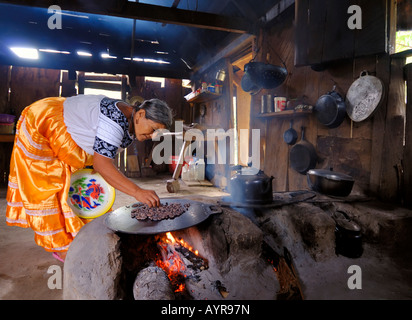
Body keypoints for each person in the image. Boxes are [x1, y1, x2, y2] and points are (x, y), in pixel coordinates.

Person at [6, 95, 173, 262]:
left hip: (63, 128)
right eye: (153, 129)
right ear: (141, 114)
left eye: (157, 133)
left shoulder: (130, 122)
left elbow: (100, 156)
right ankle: (61, 248)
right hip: (43, 121)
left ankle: (76, 235)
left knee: (80, 188)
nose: (152, 136)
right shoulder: (114, 121)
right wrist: (137, 191)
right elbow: (102, 165)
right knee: (47, 186)